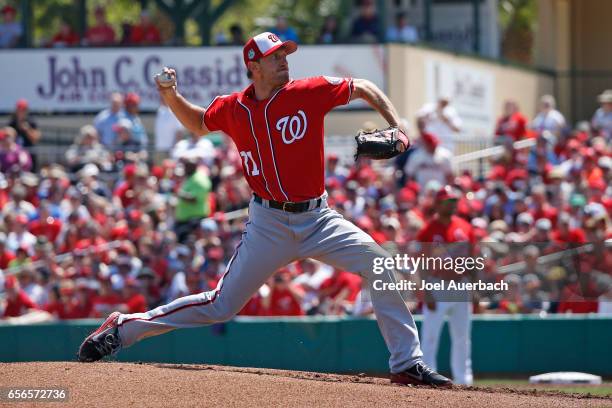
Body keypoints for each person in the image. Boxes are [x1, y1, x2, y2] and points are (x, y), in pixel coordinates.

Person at [77, 31, 451, 388]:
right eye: (275, 57)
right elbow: (197, 123)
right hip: (268, 223)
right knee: (220, 306)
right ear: (254, 65)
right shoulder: (233, 107)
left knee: (379, 264)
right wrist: (170, 95)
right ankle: (122, 329)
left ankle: (406, 363)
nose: (285, 62)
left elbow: (362, 87)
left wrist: (397, 126)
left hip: (318, 219)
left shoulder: (309, 91)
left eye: (285, 55)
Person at [417, 186, 474, 385]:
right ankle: (429, 378)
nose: (452, 205)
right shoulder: (428, 229)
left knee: (462, 336)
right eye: (447, 201)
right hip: (437, 284)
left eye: (454, 201)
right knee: (430, 337)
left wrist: (474, 286)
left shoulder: (465, 226)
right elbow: (421, 264)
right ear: (438, 204)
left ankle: (464, 380)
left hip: (461, 285)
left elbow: (472, 259)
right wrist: (427, 291)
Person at [174, 157, 212, 242]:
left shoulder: (199, 179)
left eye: (187, 166)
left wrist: (180, 193)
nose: (185, 169)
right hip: (186, 221)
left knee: (191, 244)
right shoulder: (190, 178)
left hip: (194, 221)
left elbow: (195, 199)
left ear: (194, 166)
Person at [7, 99, 41, 169]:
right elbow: (6, 139)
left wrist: (27, 129)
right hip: (15, 156)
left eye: (24, 109)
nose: (21, 112)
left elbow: (35, 139)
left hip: (30, 155)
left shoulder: (31, 122)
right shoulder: (12, 123)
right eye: (20, 109)